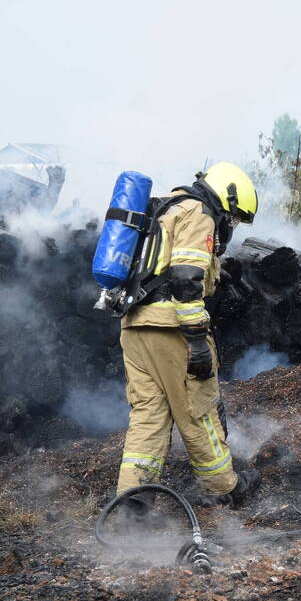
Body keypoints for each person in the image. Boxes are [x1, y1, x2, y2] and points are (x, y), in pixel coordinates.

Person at [115, 162, 261, 516]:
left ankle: (134, 499)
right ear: (226, 198)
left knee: (149, 414)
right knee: (198, 410)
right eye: (235, 216)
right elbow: (185, 278)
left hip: (135, 324)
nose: (231, 224)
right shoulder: (199, 214)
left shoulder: (166, 208)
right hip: (172, 328)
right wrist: (196, 340)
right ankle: (224, 488)